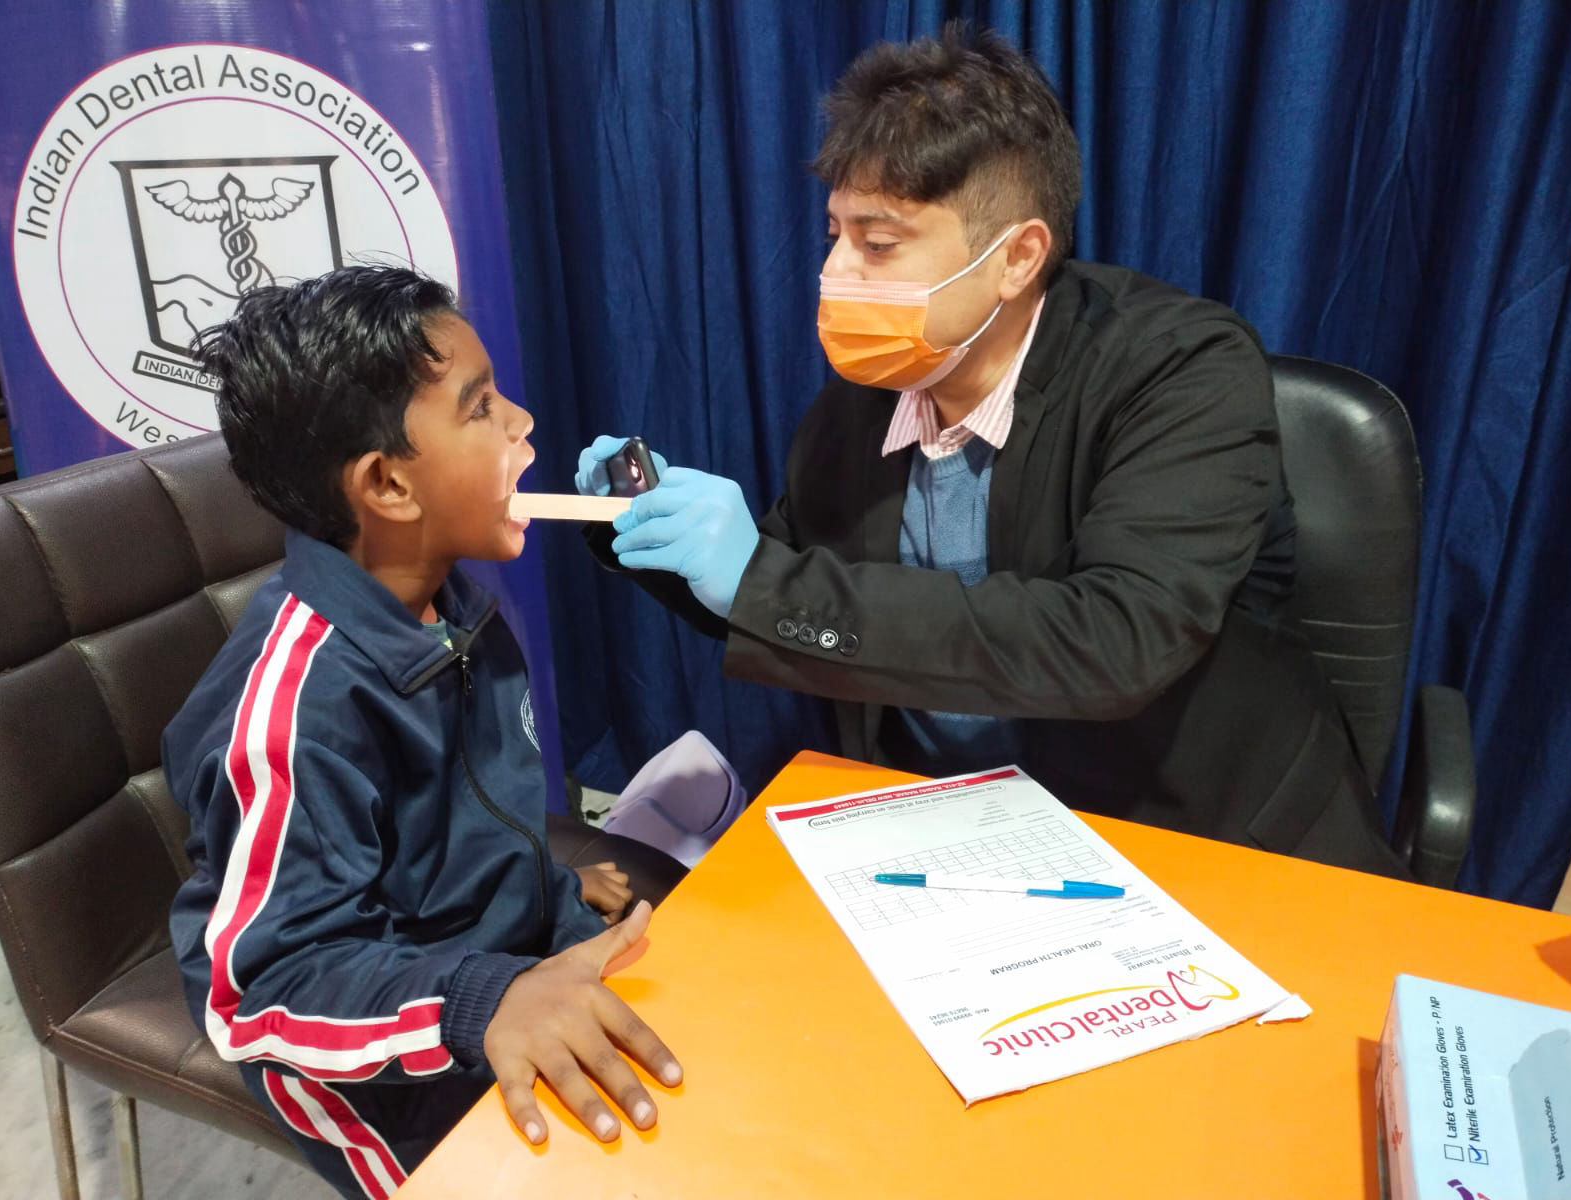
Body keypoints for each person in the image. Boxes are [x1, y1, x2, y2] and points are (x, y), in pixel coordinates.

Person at [577, 25, 1405, 878]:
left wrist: (760, 579)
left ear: (1017, 258)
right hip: (944, 832)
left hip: (1185, 837)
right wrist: (646, 533)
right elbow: (790, 598)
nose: (836, 272)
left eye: (878, 244)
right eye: (834, 235)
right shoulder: (858, 406)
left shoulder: (1184, 370)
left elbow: (1116, 641)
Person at [166, 265, 682, 1199]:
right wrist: (486, 1000)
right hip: (379, 1077)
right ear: (388, 484)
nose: (522, 421)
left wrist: (541, 882)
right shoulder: (294, 714)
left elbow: (449, 824)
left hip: (498, 968)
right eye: (481, 408)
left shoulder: (454, 607)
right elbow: (262, 991)